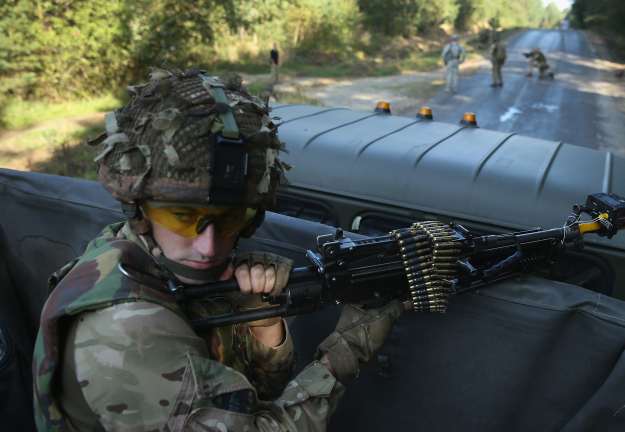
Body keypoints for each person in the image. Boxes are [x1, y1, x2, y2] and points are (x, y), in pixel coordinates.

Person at [32, 65, 409, 432]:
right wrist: (340, 359)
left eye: (230, 218)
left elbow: (258, 395)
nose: (208, 245)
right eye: (182, 216)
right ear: (138, 208)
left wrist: (260, 319)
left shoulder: (157, 265)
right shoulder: (127, 330)